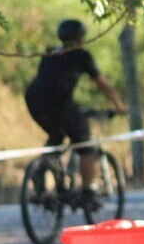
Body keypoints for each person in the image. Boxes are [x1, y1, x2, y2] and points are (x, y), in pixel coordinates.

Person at [24, 19, 127, 205]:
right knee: (86, 147)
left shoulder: (49, 52)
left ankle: (42, 170)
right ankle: (88, 192)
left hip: (34, 100)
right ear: (81, 38)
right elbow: (102, 84)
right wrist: (119, 106)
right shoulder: (81, 56)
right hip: (60, 102)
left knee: (56, 135)